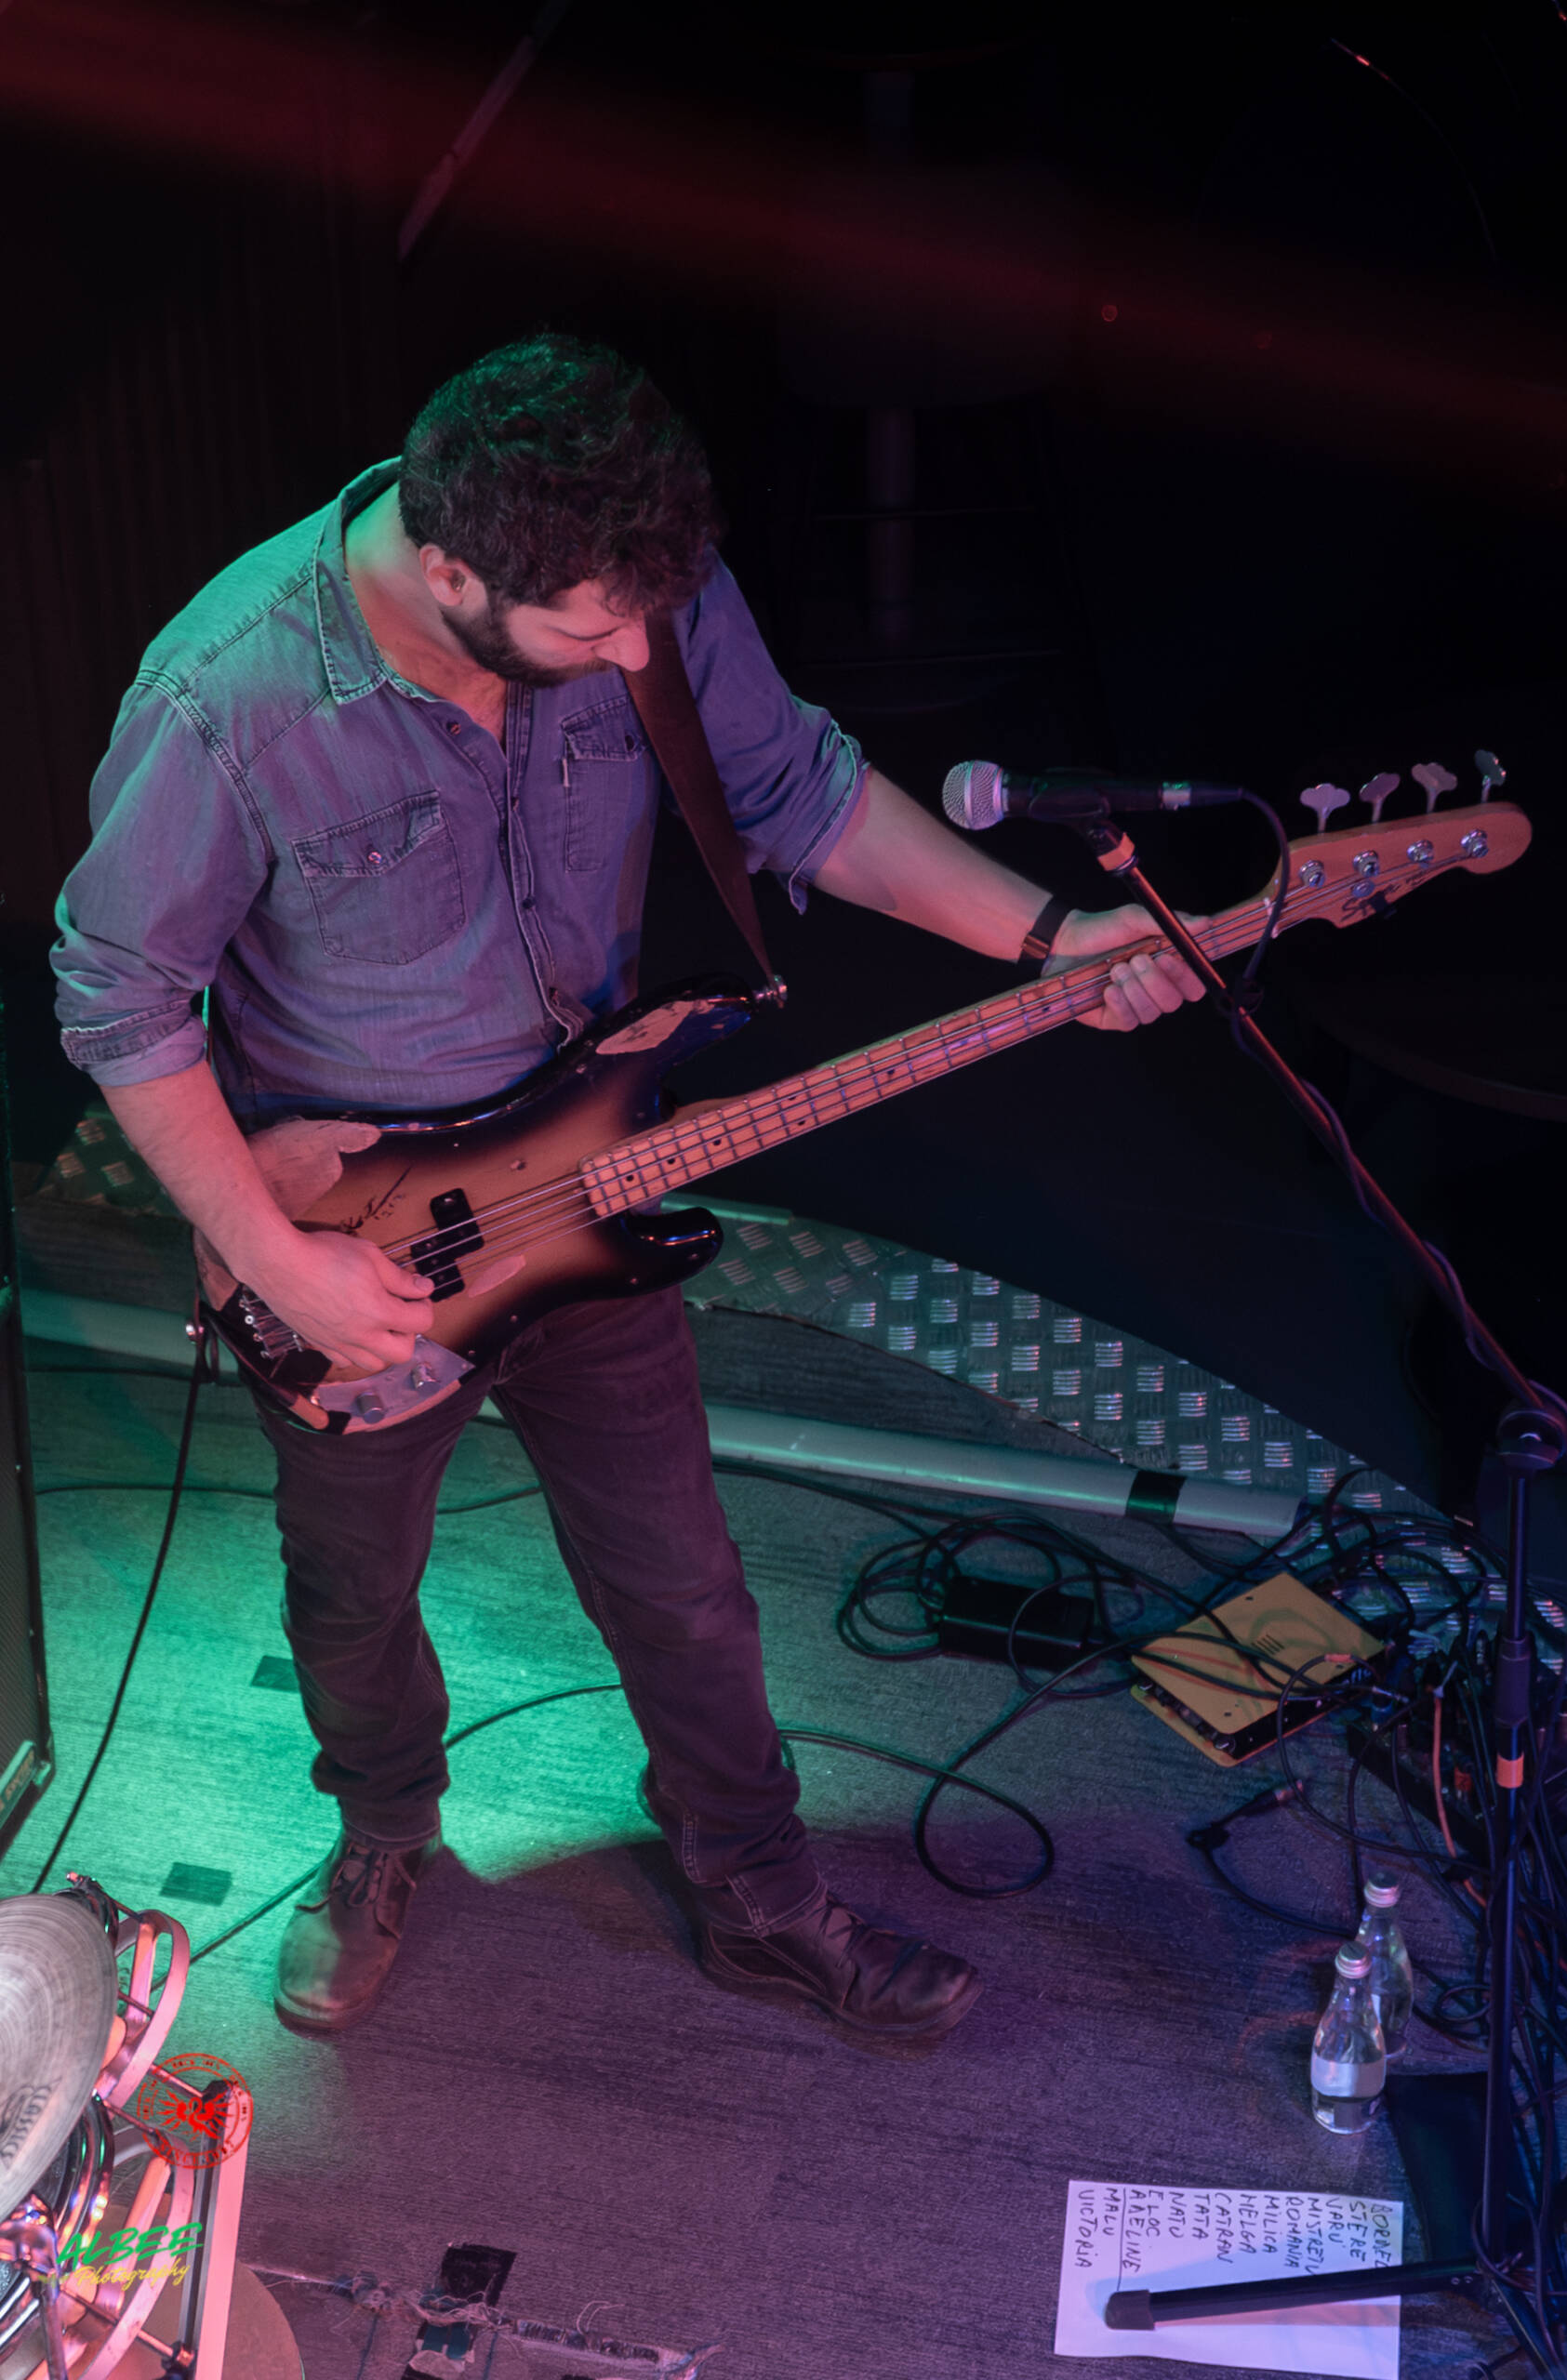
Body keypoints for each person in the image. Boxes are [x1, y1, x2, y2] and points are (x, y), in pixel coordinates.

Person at [52, 334, 1202, 2042]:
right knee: (354, 1601)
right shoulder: (231, 696)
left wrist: (1051, 937)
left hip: (588, 1193)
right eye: (595, 634)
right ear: (453, 571)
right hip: (355, 1243)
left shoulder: (640, 588)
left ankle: (759, 1890)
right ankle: (384, 1835)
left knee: (685, 1585)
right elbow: (118, 999)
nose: (638, 655)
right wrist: (271, 1259)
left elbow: (802, 793)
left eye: (649, 619)